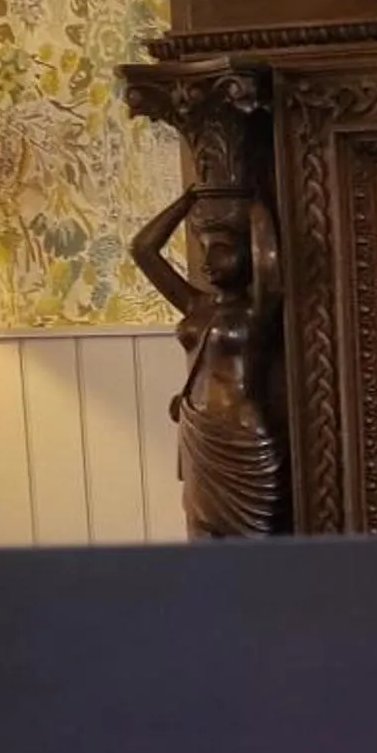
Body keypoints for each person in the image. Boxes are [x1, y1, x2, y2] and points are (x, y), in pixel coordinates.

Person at [131, 186, 286, 537]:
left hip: (241, 433)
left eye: (221, 251)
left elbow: (270, 267)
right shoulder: (195, 305)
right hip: (199, 429)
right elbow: (142, 250)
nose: (207, 262)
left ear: (246, 254)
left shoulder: (256, 311)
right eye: (205, 251)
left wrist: (255, 201)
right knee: (203, 532)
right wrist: (186, 202)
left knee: (257, 540)